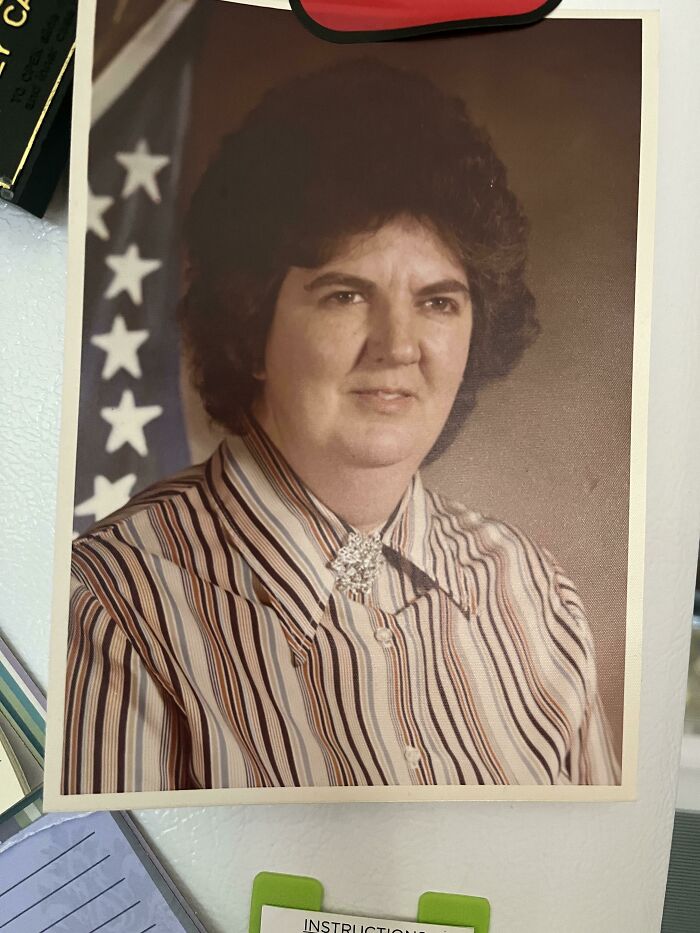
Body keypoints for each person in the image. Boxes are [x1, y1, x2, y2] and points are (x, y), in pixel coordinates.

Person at [63, 59, 620, 793]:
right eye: (346, 294)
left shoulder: (533, 593)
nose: (397, 345)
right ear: (248, 324)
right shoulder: (113, 607)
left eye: (439, 301)